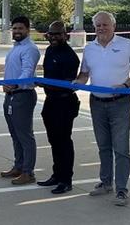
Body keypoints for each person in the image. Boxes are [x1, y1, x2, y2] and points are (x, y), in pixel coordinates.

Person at [73, 11, 130, 206]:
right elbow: (84, 73)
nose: (101, 28)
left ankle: (121, 189)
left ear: (113, 26)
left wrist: (127, 85)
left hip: (120, 103)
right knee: (103, 146)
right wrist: (78, 82)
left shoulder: (127, 45)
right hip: (96, 103)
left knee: (121, 149)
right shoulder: (89, 48)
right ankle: (105, 183)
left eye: (105, 25)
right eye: (98, 26)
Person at [36, 21, 80, 194]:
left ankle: (66, 179)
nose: (53, 37)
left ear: (65, 35)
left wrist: (43, 83)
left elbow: (68, 84)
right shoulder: (50, 51)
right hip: (51, 101)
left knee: (64, 141)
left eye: (57, 34)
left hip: (65, 102)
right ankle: (56, 175)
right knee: (53, 140)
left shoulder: (70, 57)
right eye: (51, 34)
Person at [0, 16, 41, 185]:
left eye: (20, 29)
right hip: (11, 95)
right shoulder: (15, 48)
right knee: (15, 134)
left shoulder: (30, 49)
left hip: (22, 95)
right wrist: (6, 84)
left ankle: (28, 172)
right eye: (14, 29)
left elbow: (27, 71)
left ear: (27, 30)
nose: (17, 31)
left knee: (24, 135)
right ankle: (19, 166)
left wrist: (14, 84)